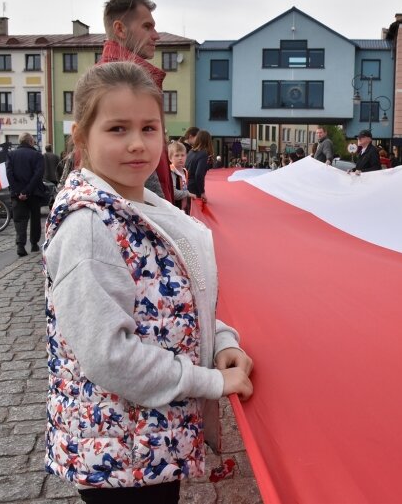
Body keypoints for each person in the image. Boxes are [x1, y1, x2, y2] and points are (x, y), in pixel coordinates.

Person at [43, 62, 254, 504]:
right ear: (82, 137)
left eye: (149, 128)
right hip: (119, 456)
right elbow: (111, 356)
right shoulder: (89, 226)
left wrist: (220, 341)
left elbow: (170, 308)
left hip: (148, 445)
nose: (137, 144)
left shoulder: (143, 205)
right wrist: (212, 382)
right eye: (117, 129)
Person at [99, 0, 173, 204]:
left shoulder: (116, 78)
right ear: (120, 29)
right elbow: (138, 167)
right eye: (147, 27)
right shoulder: (118, 83)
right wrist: (161, 218)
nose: (156, 35)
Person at [6, 132, 45, 256]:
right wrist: (27, 191)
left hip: (17, 195)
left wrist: (18, 192)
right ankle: (34, 244)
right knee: (35, 219)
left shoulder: (11, 155)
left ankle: (20, 246)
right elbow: (37, 175)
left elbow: (9, 175)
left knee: (19, 220)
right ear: (30, 141)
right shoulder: (37, 155)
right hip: (34, 193)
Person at [168, 140, 194, 214]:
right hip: (175, 209)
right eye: (177, 155)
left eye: (182, 155)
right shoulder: (172, 172)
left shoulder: (185, 171)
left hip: (184, 208)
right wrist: (188, 194)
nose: (180, 158)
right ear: (170, 158)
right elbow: (173, 193)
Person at [186, 129, 213, 203]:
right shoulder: (204, 154)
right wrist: (202, 192)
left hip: (187, 184)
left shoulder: (191, 152)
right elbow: (199, 174)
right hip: (195, 187)